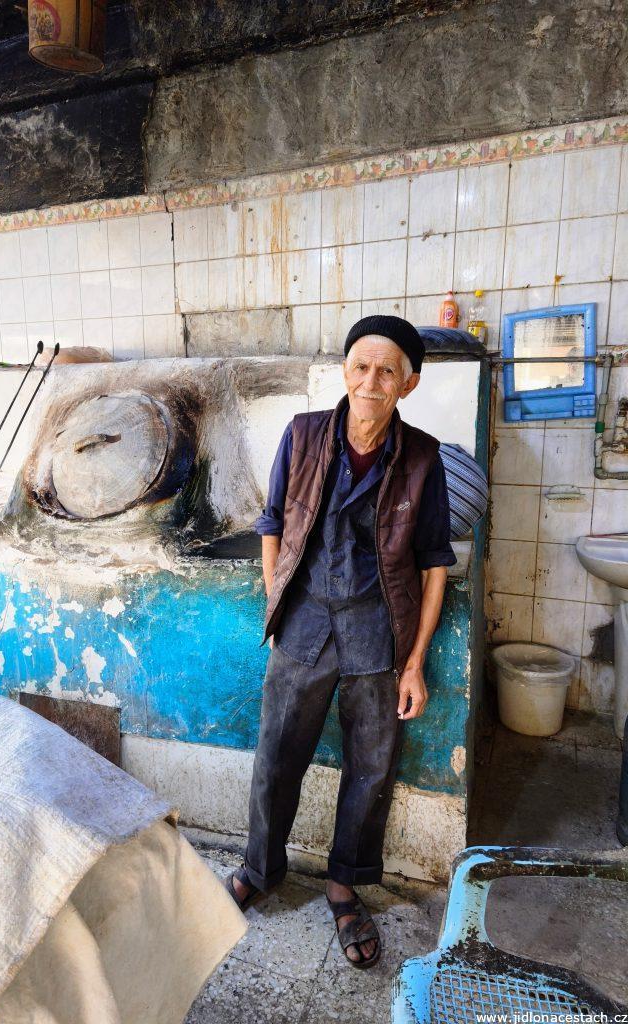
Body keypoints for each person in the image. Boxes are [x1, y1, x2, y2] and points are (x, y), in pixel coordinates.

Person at [224, 314, 456, 969]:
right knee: (276, 758)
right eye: (361, 366)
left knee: (371, 770)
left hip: (377, 634)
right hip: (303, 624)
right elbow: (273, 523)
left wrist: (413, 664)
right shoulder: (302, 436)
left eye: (388, 371)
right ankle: (260, 869)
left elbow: (435, 562)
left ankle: (343, 886)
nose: (371, 381)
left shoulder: (422, 459)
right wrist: (279, 604)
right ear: (345, 372)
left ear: (407, 385)